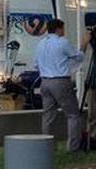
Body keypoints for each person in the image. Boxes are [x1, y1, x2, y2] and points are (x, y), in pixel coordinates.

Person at [34, 18, 84, 152]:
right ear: (58, 29)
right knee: (73, 114)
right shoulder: (63, 42)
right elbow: (78, 57)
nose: (64, 31)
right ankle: (73, 146)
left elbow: (36, 64)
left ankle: (47, 146)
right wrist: (83, 46)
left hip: (45, 81)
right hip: (60, 80)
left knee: (48, 115)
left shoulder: (41, 44)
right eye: (63, 28)